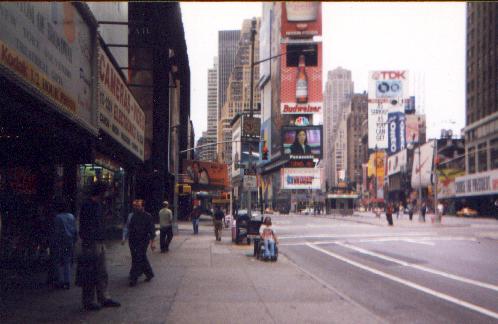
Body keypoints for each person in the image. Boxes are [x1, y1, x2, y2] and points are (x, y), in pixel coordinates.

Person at [77, 183, 120, 311]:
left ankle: (104, 297)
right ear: (100, 192)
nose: (108, 194)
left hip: (99, 241)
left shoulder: (99, 205)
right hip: (91, 242)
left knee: (102, 271)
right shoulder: (88, 206)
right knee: (90, 272)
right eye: (106, 191)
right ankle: (89, 300)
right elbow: (85, 226)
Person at [122, 199, 156, 287]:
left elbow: (151, 230)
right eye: (135, 206)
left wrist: (152, 242)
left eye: (138, 206)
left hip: (143, 240)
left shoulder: (148, 216)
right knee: (138, 257)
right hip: (133, 240)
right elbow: (127, 227)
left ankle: (133, 278)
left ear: (142, 207)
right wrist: (124, 238)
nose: (136, 207)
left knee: (138, 257)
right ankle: (149, 273)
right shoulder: (131, 216)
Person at [52, 198, 77, 289]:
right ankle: (67, 281)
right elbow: (74, 229)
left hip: (60, 241)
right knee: (67, 260)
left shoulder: (58, 217)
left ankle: (60, 280)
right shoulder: (71, 216)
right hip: (69, 241)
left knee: (58, 261)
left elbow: (57, 231)